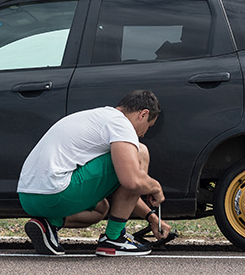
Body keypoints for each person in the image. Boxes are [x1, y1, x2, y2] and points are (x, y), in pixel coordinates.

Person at [17, 90, 172, 256]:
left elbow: (126, 190)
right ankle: (114, 239)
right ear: (143, 114)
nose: (143, 133)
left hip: (29, 198)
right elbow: (132, 181)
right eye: (148, 126)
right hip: (56, 194)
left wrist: (151, 217)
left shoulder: (97, 116)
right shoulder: (121, 124)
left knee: (100, 209)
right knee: (140, 152)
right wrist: (155, 187)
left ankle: (48, 224)